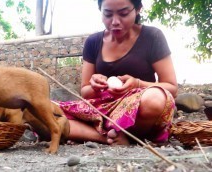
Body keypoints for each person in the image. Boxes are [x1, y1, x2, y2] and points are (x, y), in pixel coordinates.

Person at [58, 0, 178, 145]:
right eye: (108, 14)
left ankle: (100, 132)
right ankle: (110, 137)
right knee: (44, 110)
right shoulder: (93, 42)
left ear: (138, 9)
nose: (115, 22)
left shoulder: (152, 37)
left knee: (154, 99)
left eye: (123, 13)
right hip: (102, 111)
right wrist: (95, 85)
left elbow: (171, 87)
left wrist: (137, 84)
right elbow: (85, 92)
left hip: (140, 111)